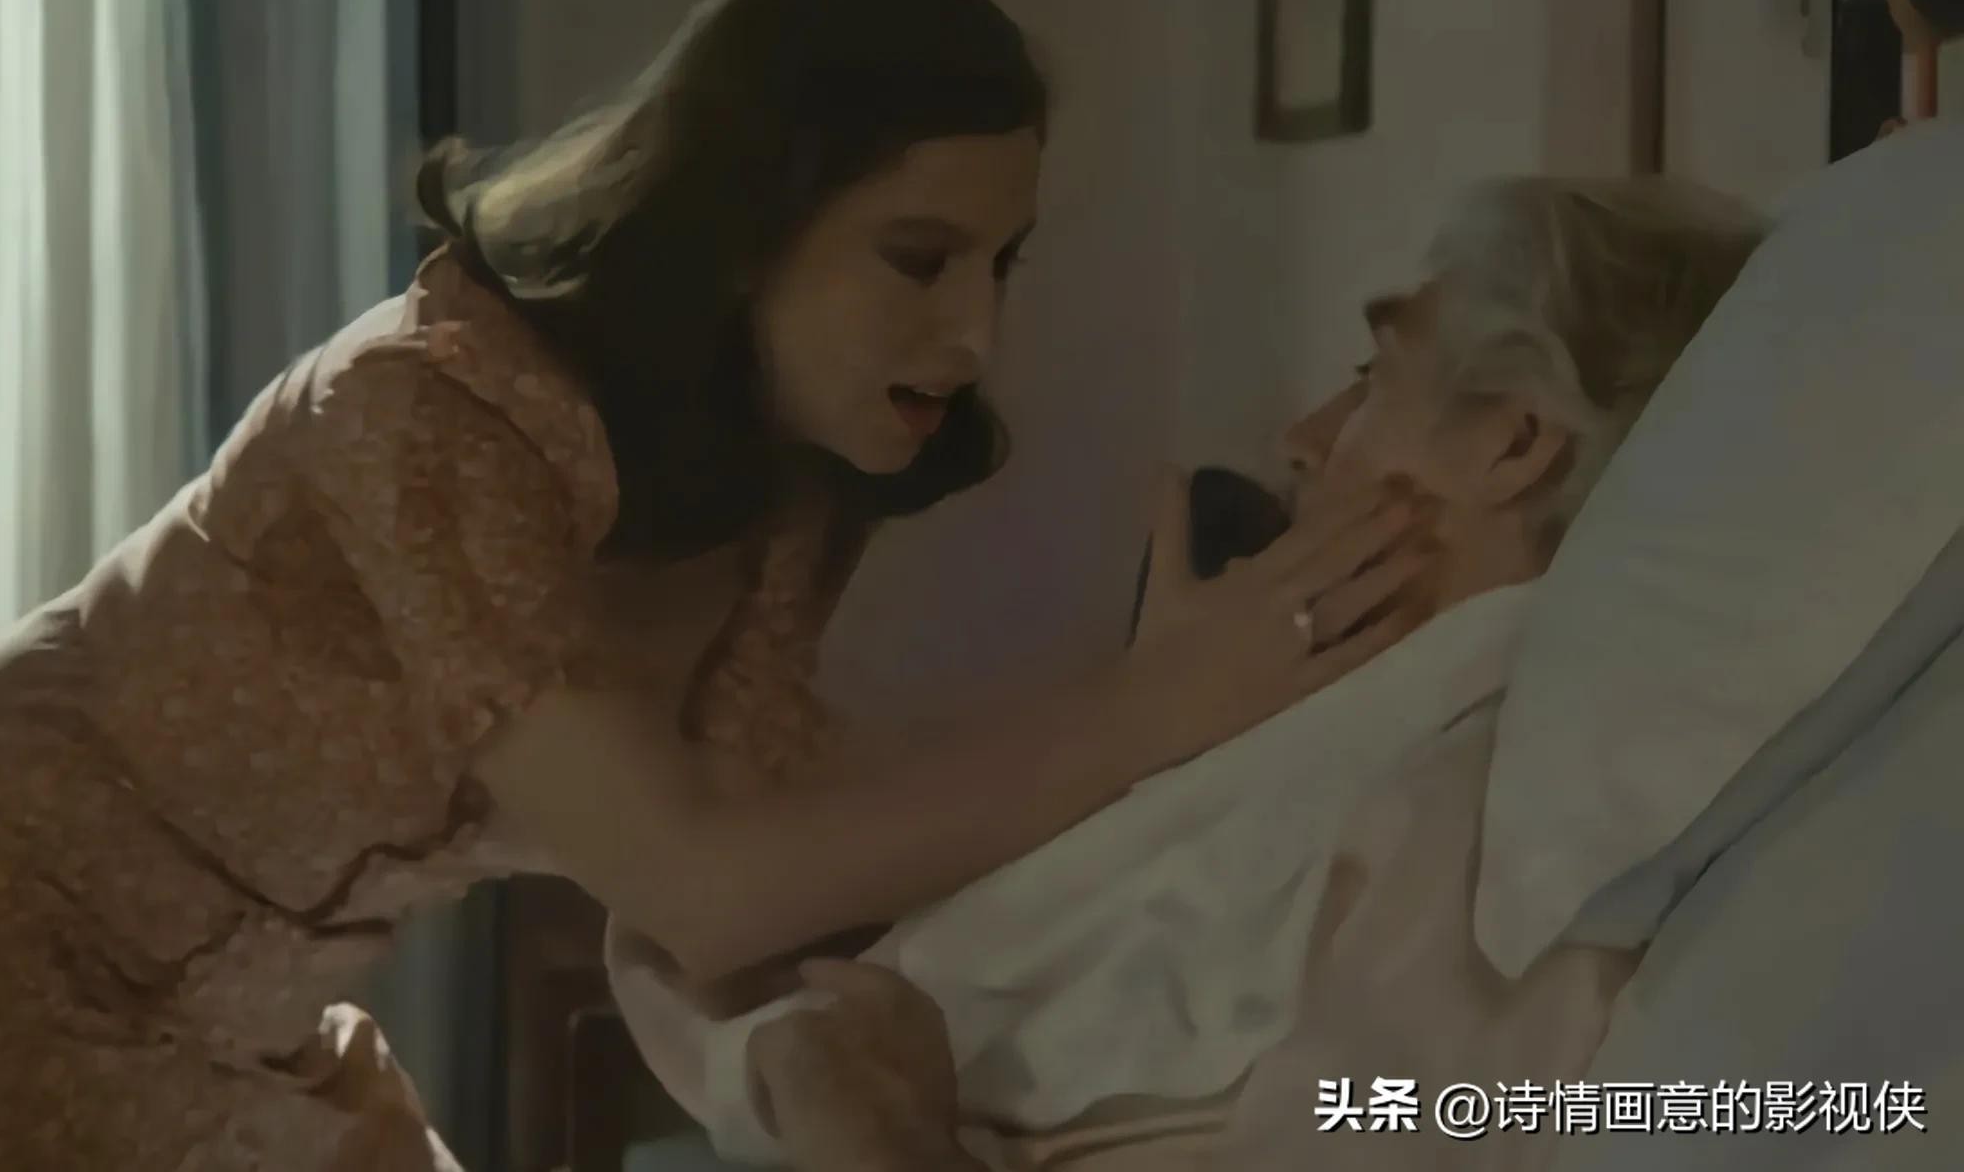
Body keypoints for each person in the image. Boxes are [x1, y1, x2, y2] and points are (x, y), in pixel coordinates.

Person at [0, 0, 1438, 1169]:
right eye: (918, 258)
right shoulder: (422, 414)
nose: (973, 336)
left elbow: (771, 870)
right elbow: (699, 881)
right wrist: (1151, 709)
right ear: (744, 226)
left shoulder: (772, 488)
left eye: (999, 264)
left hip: (224, 1022)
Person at [738, 175, 1770, 1172]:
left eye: (1373, 377)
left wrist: (878, 1144)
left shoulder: (1477, 833)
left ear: (1512, 443)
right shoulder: (1340, 752)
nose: (1302, 440)